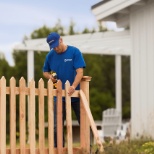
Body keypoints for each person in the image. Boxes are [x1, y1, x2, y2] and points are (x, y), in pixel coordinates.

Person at [42, 32, 86, 147]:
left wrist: (73, 86)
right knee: (57, 125)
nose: (56, 48)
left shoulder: (74, 52)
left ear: (61, 40)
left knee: (83, 122)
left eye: (57, 45)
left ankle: (87, 148)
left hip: (76, 94)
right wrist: (50, 77)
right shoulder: (50, 56)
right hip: (59, 95)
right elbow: (45, 71)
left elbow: (80, 71)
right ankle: (58, 149)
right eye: (53, 47)